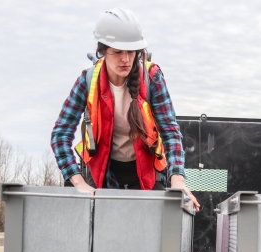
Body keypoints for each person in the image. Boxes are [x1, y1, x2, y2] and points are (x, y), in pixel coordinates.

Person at [51, 7, 200, 211]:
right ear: (102, 51)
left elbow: (170, 133)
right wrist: (78, 182)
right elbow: (60, 134)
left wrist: (177, 180)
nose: (125, 59)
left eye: (131, 52)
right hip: (103, 174)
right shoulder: (87, 82)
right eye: (117, 52)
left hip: (147, 174)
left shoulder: (153, 78)